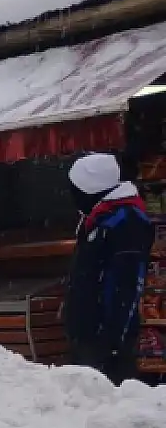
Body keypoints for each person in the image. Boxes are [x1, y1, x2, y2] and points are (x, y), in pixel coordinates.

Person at [65, 153, 156, 383]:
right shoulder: (100, 218)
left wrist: (112, 342)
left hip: (105, 342)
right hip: (89, 335)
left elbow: (126, 284)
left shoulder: (125, 222)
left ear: (90, 189)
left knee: (106, 410)